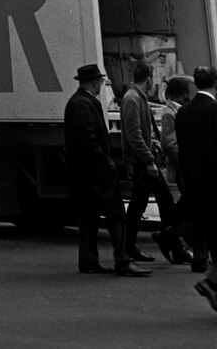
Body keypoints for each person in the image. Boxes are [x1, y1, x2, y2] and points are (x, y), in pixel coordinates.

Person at [63, 63, 147, 276]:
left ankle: (89, 260)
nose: (101, 83)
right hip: (95, 173)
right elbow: (88, 140)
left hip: (85, 173)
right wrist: (106, 162)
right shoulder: (83, 104)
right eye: (99, 80)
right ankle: (122, 259)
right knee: (115, 215)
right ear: (93, 82)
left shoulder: (79, 102)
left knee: (89, 217)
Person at [121, 61, 181, 263]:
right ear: (149, 78)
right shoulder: (132, 99)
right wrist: (149, 160)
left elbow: (142, 132)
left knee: (138, 205)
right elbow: (134, 135)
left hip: (143, 160)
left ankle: (129, 247)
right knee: (164, 201)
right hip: (142, 162)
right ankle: (171, 242)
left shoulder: (137, 97)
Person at [176, 64, 217, 312]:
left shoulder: (184, 112)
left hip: (195, 186)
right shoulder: (214, 111)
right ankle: (211, 282)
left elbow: (184, 152)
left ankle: (212, 281)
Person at [161, 77, 199, 268]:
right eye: (186, 92)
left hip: (184, 169)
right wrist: (188, 162)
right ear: (183, 93)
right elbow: (169, 144)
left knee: (188, 208)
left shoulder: (178, 110)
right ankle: (171, 237)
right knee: (190, 208)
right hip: (180, 171)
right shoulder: (170, 112)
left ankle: (173, 240)